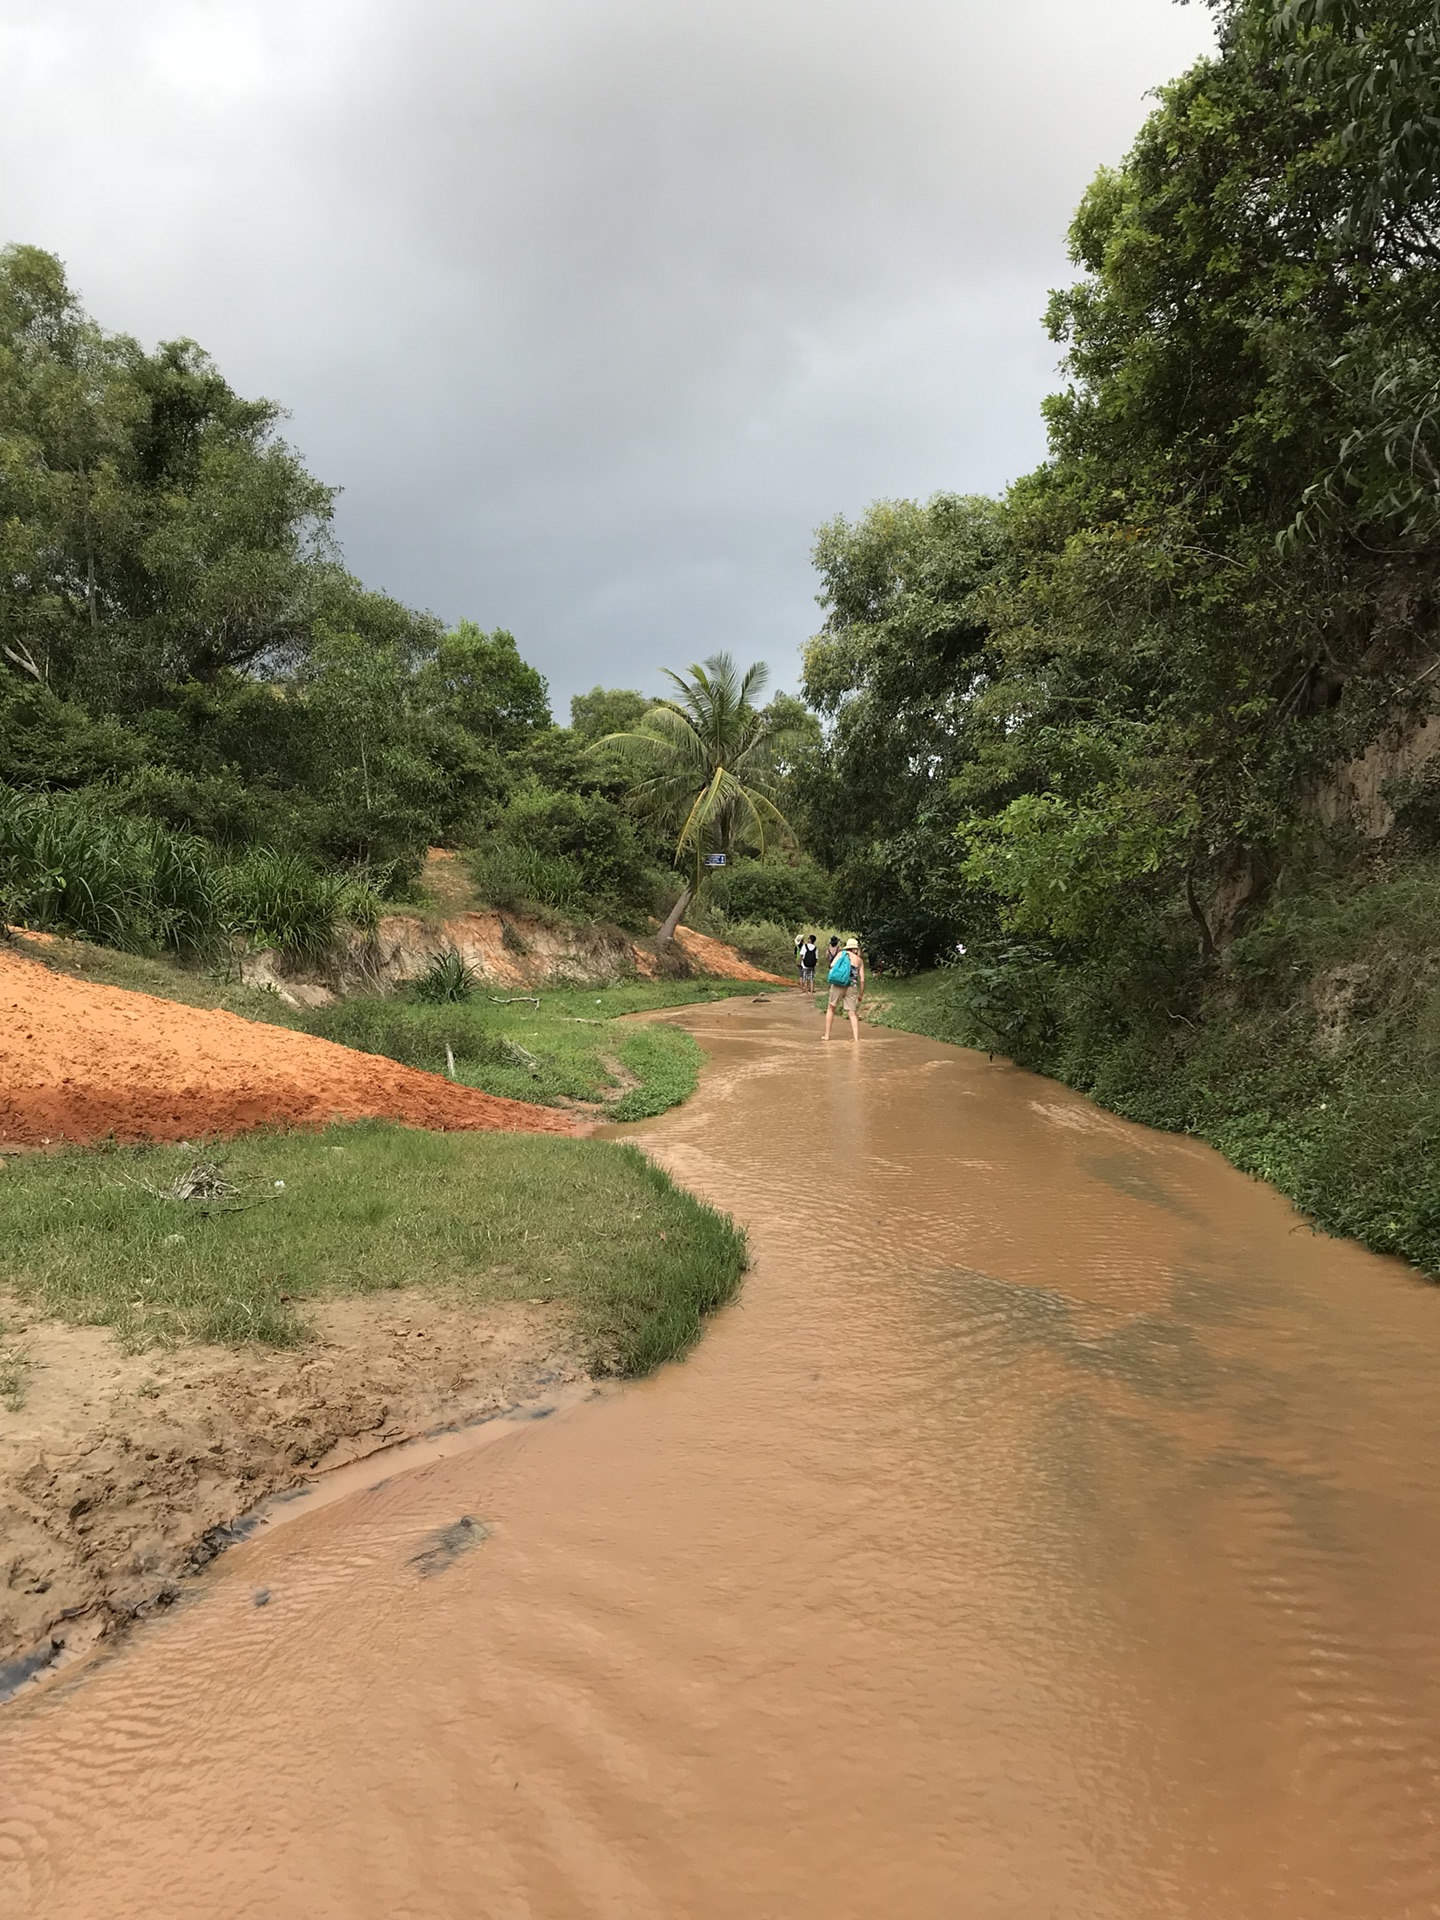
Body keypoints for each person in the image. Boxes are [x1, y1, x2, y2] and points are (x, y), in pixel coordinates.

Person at [823, 936, 865, 1042]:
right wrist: (861, 994)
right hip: (852, 986)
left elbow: (832, 965)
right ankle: (856, 1038)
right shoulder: (859, 960)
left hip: (838, 984)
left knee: (831, 1008)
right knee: (852, 1013)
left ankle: (827, 1036)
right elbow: (862, 980)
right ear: (855, 948)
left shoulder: (841, 954)